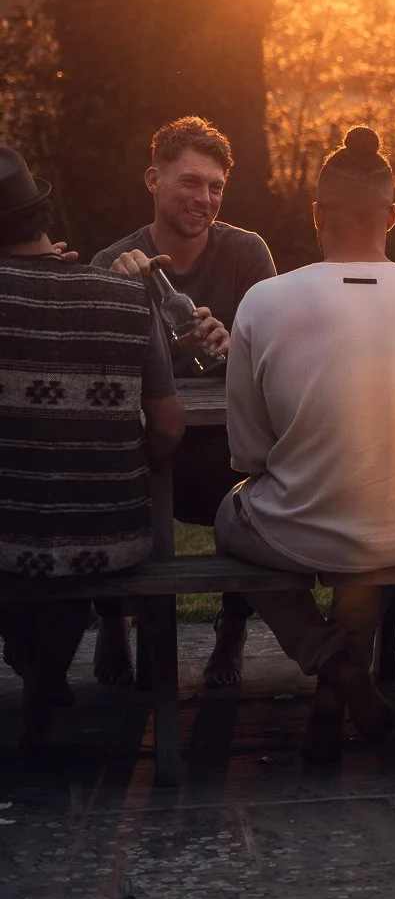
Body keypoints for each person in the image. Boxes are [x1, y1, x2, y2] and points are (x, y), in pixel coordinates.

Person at [215, 126, 395, 761]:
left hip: (301, 529)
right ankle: (338, 691)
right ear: (393, 215)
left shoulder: (264, 302)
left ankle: (332, 664)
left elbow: (249, 455)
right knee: (377, 512)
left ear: (316, 216)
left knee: (231, 518)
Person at [0, 146, 184, 749]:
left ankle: (34, 669)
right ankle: (43, 670)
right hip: (108, 529)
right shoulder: (124, 296)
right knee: (67, 550)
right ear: (40, 216)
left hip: (8, 525)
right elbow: (169, 426)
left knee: (25, 544)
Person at [91, 116, 275, 689]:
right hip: (143, 448)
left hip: (223, 447)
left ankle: (232, 627)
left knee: (264, 487)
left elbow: (281, 358)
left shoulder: (247, 253)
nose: (205, 198)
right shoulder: (113, 263)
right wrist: (124, 299)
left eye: (216, 186)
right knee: (103, 478)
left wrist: (236, 346)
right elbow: (99, 380)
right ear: (153, 179)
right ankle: (115, 619)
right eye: (190, 182)